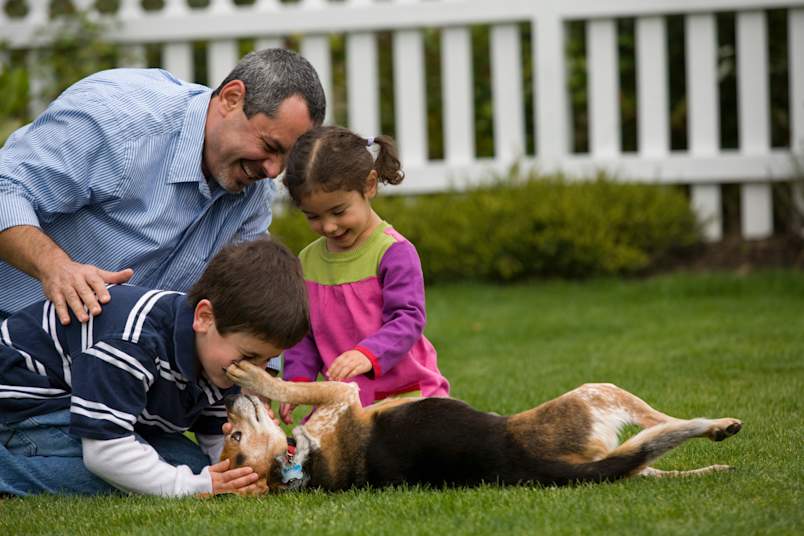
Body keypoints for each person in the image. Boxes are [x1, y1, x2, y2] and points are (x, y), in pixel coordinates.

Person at [0, 48, 325, 325]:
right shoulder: (119, 120)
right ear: (231, 98)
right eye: (269, 145)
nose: (273, 171)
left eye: (286, 158)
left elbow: (245, 297)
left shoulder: (252, 191)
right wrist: (56, 267)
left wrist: (262, 380)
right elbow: (6, 188)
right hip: (12, 325)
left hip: (113, 362)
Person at [0, 237, 309, 497]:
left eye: (265, 361)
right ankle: (8, 474)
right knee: (146, 470)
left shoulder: (217, 358)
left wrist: (250, 465)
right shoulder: (133, 342)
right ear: (204, 317)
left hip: (75, 403)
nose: (254, 371)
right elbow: (105, 451)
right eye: (250, 356)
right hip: (25, 399)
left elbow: (215, 439)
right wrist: (193, 485)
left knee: (187, 461)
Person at [278, 125, 449, 422]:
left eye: (339, 211)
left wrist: (367, 354)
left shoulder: (393, 252)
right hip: (344, 402)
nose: (329, 226)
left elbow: (408, 319)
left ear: (369, 185)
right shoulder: (307, 261)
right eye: (313, 217)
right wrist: (299, 383)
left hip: (403, 395)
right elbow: (303, 334)